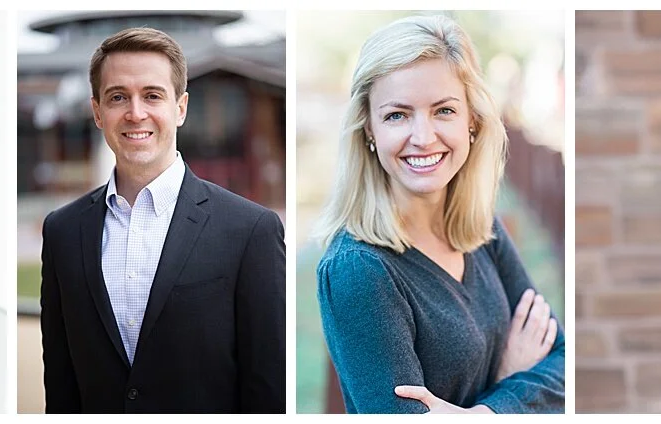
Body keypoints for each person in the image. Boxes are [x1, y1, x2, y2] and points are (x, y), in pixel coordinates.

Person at [312, 15, 565, 414]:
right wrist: (510, 381)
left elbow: (562, 361)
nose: (423, 137)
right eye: (397, 115)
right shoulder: (358, 272)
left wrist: (483, 412)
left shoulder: (483, 228)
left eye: (443, 111)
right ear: (369, 132)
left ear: (472, 121)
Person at [38, 27, 286, 413]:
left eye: (152, 95)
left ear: (180, 107)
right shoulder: (62, 232)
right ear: (98, 112)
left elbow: (268, 388)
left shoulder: (250, 230)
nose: (136, 113)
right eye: (118, 97)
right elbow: (61, 382)